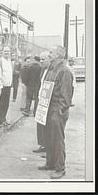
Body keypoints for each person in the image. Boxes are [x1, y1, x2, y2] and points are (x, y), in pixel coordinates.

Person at [38, 45, 73, 179]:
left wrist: (60, 111)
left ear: (58, 55)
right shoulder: (51, 68)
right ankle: (50, 163)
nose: (49, 55)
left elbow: (66, 95)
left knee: (58, 140)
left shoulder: (64, 70)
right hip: (47, 108)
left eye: (51, 52)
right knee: (49, 138)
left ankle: (60, 168)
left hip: (57, 109)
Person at [32, 51, 52, 154]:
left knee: (46, 124)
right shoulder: (43, 69)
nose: (41, 61)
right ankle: (42, 144)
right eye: (40, 59)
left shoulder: (52, 71)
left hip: (47, 101)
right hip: (40, 98)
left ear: (50, 59)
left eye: (44, 59)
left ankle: (47, 146)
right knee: (39, 122)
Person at [0, 46, 13, 126]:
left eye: (8, 51)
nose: (6, 53)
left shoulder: (10, 61)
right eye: (5, 51)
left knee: (6, 103)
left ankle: (4, 118)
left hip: (8, 85)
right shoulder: (0, 61)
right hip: (2, 85)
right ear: (2, 52)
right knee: (1, 103)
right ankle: (0, 119)